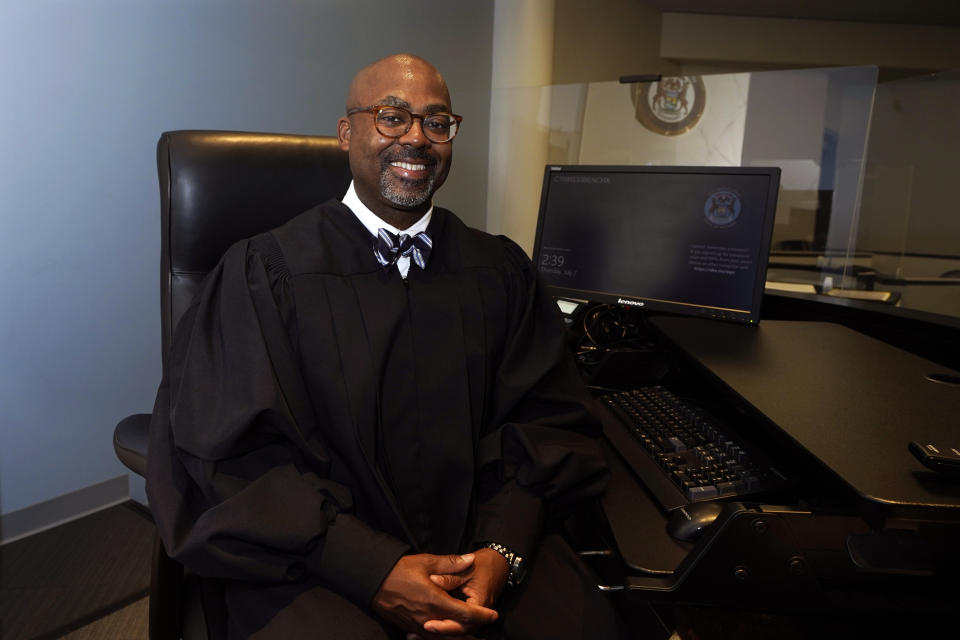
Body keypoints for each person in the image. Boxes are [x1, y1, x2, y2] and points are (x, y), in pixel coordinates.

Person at [146, 53, 629, 640]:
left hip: (482, 545)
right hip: (315, 557)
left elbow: (550, 422)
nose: (417, 139)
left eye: (437, 122)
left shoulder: (499, 270)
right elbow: (230, 456)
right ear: (347, 132)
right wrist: (372, 568)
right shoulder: (262, 274)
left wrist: (500, 552)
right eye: (392, 117)